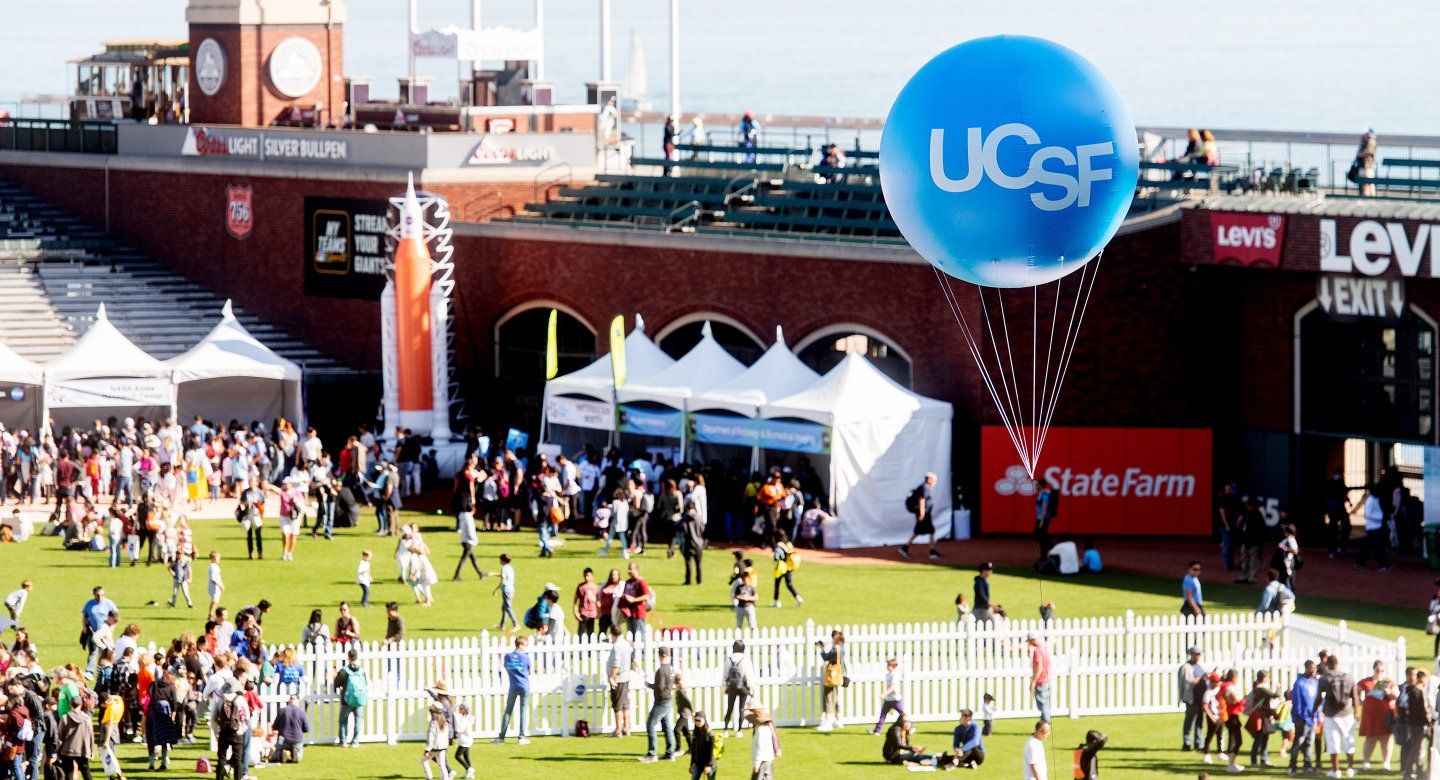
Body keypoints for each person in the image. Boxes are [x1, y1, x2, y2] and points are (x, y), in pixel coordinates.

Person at [1315, 655, 1357, 778]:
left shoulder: (1325, 678)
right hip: (1347, 712)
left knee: (1333, 741)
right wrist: (1357, 711)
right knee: (1349, 740)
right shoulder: (1348, 677)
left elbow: (1318, 697)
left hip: (1331, 714)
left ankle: (1336, 769)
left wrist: (1314, 710)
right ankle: (1350, 768)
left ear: (1327, 663)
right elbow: (1354, 696)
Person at [1357, 659, 1396, 771]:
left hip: (1385, 714)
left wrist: (1388, 692)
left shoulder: (1388, 682)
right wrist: (1359, 700)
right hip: (1370, 715)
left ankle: (1386, 763)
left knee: (1386, 738)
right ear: (1373, 669)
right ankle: (1366, 762)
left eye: (1382, 670)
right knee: (1370, 738)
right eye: (1377, 670)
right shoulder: (1366, 681)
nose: (1379, 672)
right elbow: (1355, 690)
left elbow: (1396, 696)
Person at [640, 646, 677, 762]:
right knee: (666, 726)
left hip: (661, 702)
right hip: (669, 700)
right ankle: (670, 752)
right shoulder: (671, 669)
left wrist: (649, 685)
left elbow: (659, 688)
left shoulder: (661, 670)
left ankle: (652, 754)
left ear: (660, 656)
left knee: (650, 725)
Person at [1399, 668, 1431, 780]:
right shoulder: (1416, 691)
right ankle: (1409, 772)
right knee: (1415, 749)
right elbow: (1420, 710)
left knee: (1416, 749)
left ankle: (1417, 771)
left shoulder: (1415, 690)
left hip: (1415, 724)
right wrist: (1428, 721)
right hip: (1418, 725)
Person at [899, 472, 940, 560]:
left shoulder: (925, 487)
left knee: (923, 531)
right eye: (934, 480)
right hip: (923, 514)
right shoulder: (925, 487)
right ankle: (931, 552)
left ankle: (905, 548)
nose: (935, 482)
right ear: (929, 479)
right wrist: (922, 514)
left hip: (924, 513)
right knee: (926, 530)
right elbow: (922, 501)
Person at [1289, 660, 1320, 775]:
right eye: (1312, 668)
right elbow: (1297, 703)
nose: (1314, 671)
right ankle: (1292, 766)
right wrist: (1300, 717)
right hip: (1302, 719)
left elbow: (1317, 700)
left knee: (1309, 742)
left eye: (1315, 668)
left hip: (1312, 719)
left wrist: (1316, 716)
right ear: (1307, 668)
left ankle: (1307, 765)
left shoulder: (1314, 682)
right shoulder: (1299, 683)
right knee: (1298, 742)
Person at [333, 649, 366, 747]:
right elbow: (365, 684)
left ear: (348, 658)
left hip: (346, 700)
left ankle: (343, 741)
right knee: (358, 720)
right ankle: (355, 741)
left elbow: (336, 684)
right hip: (359, 699)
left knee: (343, 721)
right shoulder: (361, 671)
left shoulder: (344, 671)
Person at [58, 694, 96, 780]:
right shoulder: (87, 718)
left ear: (70, 704)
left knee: (68, 774)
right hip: (82, 749)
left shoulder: (65, 718)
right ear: (81, 704)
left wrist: (58, 751)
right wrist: (91, 750)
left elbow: (60, 736)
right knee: (86, 772)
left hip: (67, 750)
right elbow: (91, 736)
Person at [606, 624, 634, 737]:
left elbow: (616, 664)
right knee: (625, 704)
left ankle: (618, 730)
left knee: (617, 705)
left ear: (613, 634)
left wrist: (612, 677)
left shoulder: (617, 647)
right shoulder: (626, 644)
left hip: (619, 678)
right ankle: (626, 728)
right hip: (626, 676)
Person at [1355, 485, 1391, 571]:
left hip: (1375, 527)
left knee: (1369, 546)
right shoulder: (1371, 500)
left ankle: (1360, 562)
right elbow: (1368, 515)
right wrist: (1382, 519)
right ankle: (1382, 565)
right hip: (1374, 527)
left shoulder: (1374, 499)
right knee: (1377, 547)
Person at [721, 640, 753, 736]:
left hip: (731, 686)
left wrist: (724, 687)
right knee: (741, 709)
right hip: (742, 686)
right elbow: (748, 676)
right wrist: (751, 688)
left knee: (729, 708)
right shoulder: (746, 660)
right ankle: (739, 730)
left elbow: (725, 674)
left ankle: (725, 729)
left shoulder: (729, 659)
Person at [816, 630, 846, 731]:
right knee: (835, 698)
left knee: (829, 698)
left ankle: (828, 722)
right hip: (837, 676)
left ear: (834, 638)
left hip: (831, 677)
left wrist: (821, 648)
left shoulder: (835, 649)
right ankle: (838, 720)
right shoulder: (842, 648)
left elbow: (825, 657)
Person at [1180, 646, 1208, 751]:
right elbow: (1189, 683)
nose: (1198, 656)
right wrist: (1201, 677)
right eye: (1196, 654)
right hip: (1191, 699)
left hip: (1201, 699)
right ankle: (1186, 744)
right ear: (1191, 654)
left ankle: (1199, 744)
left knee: (1200, 722)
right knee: (1189, 721)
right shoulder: (1186, 667)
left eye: (1199, 654)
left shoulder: (1199, 666)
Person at [270, 694, 310, 763]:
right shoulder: (301, 712)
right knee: (299, 752)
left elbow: (275, 727)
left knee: (274, 755)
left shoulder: (282, 711)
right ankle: (296, 754)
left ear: (289, 701)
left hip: (282, 739)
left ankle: (281, 755)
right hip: (297, 739)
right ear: (298, 702)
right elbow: (306, 729)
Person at [871, 657, 906, 734]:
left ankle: (910, 728)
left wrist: (884, 693)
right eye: (887, 665)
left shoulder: (895, 675)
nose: (888, 667)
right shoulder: (888, 675)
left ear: (894, 666)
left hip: (896, 699)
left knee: (902, 714)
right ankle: (877, 730)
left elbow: (892, 687)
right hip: (888, 699)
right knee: (883, 715)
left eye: (889, 665)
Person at [422, 700, 454, 780]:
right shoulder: (444, 721)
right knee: (441, 764)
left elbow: (431, 737)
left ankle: (429, 777)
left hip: (434, 747)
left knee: (424, 761)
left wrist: (427, 750)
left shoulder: (433, 723)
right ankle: (445, 778)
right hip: (443, 747)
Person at [770, 529, 802, 607]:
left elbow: (777, 557)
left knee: (777, 583)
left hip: (781, 567)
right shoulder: (789, 543)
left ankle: (776, 601)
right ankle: (798, 598)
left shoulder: (779, 545)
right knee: (789, 584)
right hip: (790, 567)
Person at [747, 706, 780, 780]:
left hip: (763, 761)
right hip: (767, 760)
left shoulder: (760, 730)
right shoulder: (766, 728)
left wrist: (756, 764)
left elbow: (760, 748)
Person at [619, 562, 652, 637]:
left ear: (636, 569)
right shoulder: (628, 582)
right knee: (630, 633)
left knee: (640, 633)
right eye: (628, 569)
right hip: (629, 613)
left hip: (638, 612)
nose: (628, 571)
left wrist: (634, 600)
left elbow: (646, 596)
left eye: (630, 569)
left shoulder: (641, 581)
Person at [1027, 632, 1053, 723]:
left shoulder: (1037, 651)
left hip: (1041, 681)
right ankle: (1043, 726)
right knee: (1045, 704)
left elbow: (1039, 667)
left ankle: (1046, 725)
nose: (1029, 644)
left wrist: (1033, 682)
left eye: (1030, 641)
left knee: (1043, 705)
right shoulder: (1045, 648)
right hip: (1047, 679)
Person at [688, 711, 720, 780]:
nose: (697, 722)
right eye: (696, 720)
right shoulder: (695, 733)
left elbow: (711, 751)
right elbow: (694, 750)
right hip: (698, 763)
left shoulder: (710, 733)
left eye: (699, 720)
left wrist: (708, 765)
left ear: (704, 720)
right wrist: (691, 764)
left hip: (709, 763)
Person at [573, 568, 601, 637]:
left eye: (588, 576)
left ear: (592, 576)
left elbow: (597, 600)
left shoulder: (595, 586)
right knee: (581, 632)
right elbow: (575, 601)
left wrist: (598, 611)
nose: (586, 577)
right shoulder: (581, 586)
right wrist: (576, 612)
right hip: (583, 612)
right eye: (585, 576)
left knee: (591, 633)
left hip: (592, 613)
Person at [1033, 479, 1058, 557]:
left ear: (1040, 485)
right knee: (1038, 536)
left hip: (1043, 519)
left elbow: (1044, 508)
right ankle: (1049, 549)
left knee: (1041, 537)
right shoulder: (1040, 493)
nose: (1036, 486)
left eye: (1037, 484)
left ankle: (1046, 553)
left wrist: (1042, 521)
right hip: (1040, 518)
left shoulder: (1044, 495)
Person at [494, 554, 517, 630]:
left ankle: (516, 624)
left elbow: (503, 581)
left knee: (508, 607)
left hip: (506, 590)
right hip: (511, 589)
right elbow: (504, 576)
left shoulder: (504, 568)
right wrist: (494, 574)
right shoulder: (510, 567)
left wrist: (496, 590)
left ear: (503, 560)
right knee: (504, 608)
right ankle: (502, 625)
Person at [453, 703, 474, 779]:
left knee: (457, 756)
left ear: (464, 710)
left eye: (461, 708)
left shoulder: (465, 719)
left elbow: (460, 729)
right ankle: (469, 774)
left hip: (465, 741)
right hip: (467, 740)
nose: (459, 709)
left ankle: (469, 769)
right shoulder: (466, 718)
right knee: (466, 756)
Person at [1354, 129, 1378, 196]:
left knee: (1369, 181)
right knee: (1364, 182)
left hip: (1368, 165)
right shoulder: (1365, 142)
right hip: (1363, 165)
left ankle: (1371, 195)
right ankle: (1365, 194)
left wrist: (1359, 154)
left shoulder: (1371, 142)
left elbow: (1367, 152)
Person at [207, 551, 224, 619]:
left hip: (216, 586)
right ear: (213, 558)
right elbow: (213, 578)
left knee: (214, 601)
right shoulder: (213, 567)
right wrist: (220, 585)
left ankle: (211, 614)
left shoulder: (215, 566)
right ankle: (211, 615)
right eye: (218, 557)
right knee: (215, 601)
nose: (219, 559)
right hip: (214, 586)